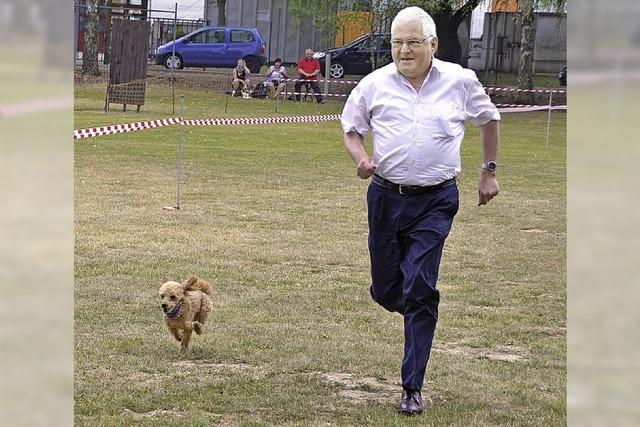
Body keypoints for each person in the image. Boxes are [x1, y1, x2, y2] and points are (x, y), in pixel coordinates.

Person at [341, 6, 500, 416]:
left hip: (436, 199)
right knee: (387, 289)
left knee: (421, 288)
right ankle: (412, 303)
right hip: (385, 198)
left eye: (413, 42)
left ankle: (412, 387)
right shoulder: (374, 84)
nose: (404, 50)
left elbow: (490, 119)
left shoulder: (460, 82)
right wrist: (360, 157)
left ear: (433, 44)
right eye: (397, 42)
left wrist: (489, 172)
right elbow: (352, 128)